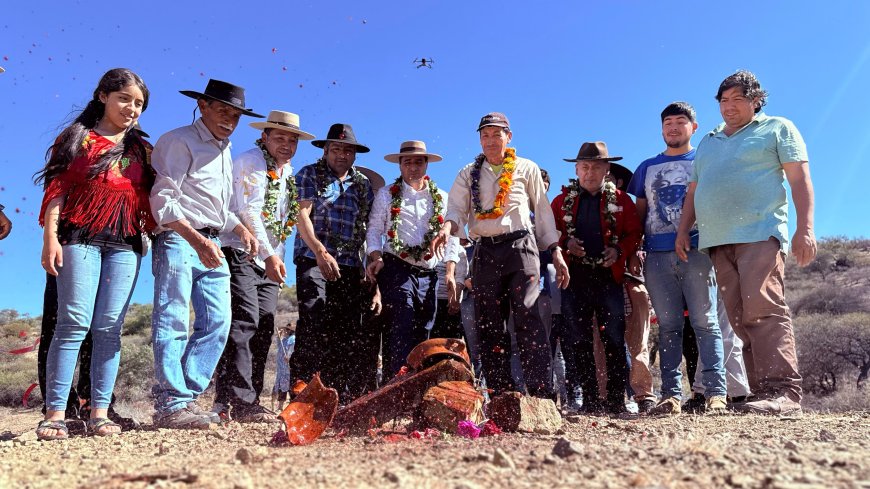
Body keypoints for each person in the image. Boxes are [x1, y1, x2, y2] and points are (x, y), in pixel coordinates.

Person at [676, 70, 816, 415]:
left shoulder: (777, 128)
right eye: (724, 100)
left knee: (763, 308)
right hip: (717, 240)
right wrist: (683, 230)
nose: (729, 106)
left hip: (759, 233)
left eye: (738, 99)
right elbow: (695, 189)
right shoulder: (709, 141)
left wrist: (805, 228)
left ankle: (784, 393)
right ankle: (761, 392)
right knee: (740, 317)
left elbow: (799, 178)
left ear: (757, 101)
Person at [34, 68, 154, 440]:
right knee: (73, 323)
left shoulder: (142, 149)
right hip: (79, 238)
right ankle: (55, 414)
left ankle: (99, 413)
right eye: (124, 99)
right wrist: (50, 238)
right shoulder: (76, 139)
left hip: (125, 244)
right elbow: (57, 190)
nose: (132, 109)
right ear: (103, 96)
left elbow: (155, 195)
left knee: (109, 329)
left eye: (139, 104)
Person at [149, 79, 262, 429]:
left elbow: (220, 207)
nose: (230, 119)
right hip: (179, 238)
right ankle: (171, 402)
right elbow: (162, 200)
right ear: (203, 106)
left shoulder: (225, 149)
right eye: (223, 110)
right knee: (173, 317)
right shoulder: (178, 140)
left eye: (236, 114)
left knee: (218, 321)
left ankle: (184, 396)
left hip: (213, 242)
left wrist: (239, 227)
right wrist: (196, 239)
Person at [433, 112, 569, 398]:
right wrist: (447, 228)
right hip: (485, 252)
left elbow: (543, 214)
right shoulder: (467, 172)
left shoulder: (527, 168)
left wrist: (555, 251)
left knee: (530, 319)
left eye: (497, 134)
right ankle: (500, 396)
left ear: (509, 137)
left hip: (522, 249)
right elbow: (456, 209)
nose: (491, 140)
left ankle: (541, 396)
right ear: (479, 139)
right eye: (485, 135)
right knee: (490, 324)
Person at [213, 110, 315, 422]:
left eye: (292, 139)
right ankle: (236, 401)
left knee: (263, 326)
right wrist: (270, 256)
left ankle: (247, 399)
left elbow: (283, 219)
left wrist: (277, 256)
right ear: (265, 137)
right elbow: (249, 211)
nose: (286, 144)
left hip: (271, 259)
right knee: (243, 323)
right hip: (242, 251)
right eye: (279, 137)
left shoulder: (288, 173)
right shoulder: (250, 162)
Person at [628, 102, 728, 416]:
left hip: (699, 250)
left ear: (693, 127)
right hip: (657, 256)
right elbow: (639, 212)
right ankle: (670, 395)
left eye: (680, 121)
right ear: (661, 129)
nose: (673, 127)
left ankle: (716, 393)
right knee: (669, 326)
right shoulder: (646, 167)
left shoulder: (705, 159)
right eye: (668, 122)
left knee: (705, 322)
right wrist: (634, 249)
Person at [551, 141, 642, 415]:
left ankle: (615, 399)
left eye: (596, 167)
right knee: (578, 338)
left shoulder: (622, 200)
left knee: (614, 337)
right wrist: (567, 246)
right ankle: (589, 399)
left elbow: (634, 233)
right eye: (585, 167)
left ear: (606, 169)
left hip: (608, 277)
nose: (589, 172)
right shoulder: (560, 201)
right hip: (574, 278)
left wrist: (619, 250)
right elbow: (551, 236)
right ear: (577, 169)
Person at [290, 123, 375, 403]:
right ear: (326, 150)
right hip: (313, 257)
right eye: (336, 149)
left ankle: (334, 394)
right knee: (313, 316)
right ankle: (302, 387)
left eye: (347, 150)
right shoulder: (309, 174)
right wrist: (319, 251)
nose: (342, 155)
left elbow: (367, 228)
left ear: (355, 155)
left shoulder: (362, 184)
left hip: (350, 263)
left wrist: (367, 265)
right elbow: (302, 215)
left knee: (344, 329)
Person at [366, 140, 449, 376]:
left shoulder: (441, 197)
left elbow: (450, 236)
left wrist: (450, 272)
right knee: (402, 321)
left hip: (429, 272)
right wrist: (376, 255)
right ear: (400, 165)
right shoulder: (386, 195)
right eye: (408, 162)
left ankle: (416, 387)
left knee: (424, 329)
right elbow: (374, 229)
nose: (413, 167)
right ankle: (395, 387)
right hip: (397, 267)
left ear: (426, 165)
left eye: (418, 162)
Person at [606, 162, 657, 415]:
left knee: (638, 343)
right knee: (602, 342)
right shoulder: (582, 206)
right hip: (603, 285)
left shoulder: (630, 207)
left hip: (632, 283)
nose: (604, 180)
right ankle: (606, 396)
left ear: (620, 184)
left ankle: (644, 394)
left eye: (610, 177)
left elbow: (642, 238)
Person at [271, 322, 296, 411]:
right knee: (279, 386)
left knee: (286, 386)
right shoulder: (285, 339)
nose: (285, 331)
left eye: (286, 329)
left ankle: (286, 405)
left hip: (286, 367)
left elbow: (291, 349)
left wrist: (288, 356)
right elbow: (279, 345)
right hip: (281, 367)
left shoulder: (293, 339)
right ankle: (277, 406)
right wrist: (279, 335)